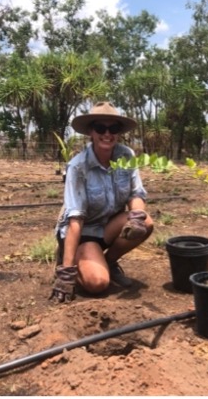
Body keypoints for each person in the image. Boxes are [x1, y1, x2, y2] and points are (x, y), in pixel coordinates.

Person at [50, 102, 154, 304]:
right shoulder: (78, 167)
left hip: (108, 226)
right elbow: (75, 219)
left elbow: (136, 194)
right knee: (97, 283)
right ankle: (73, 260)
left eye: (113, 128)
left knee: (146, 222)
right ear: (91, 131)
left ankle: (108, 262)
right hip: (84, 231)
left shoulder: (126, 156)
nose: (107, 134)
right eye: (100, 128)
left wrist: (136, 218)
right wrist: (67, 273)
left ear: (119, 132)